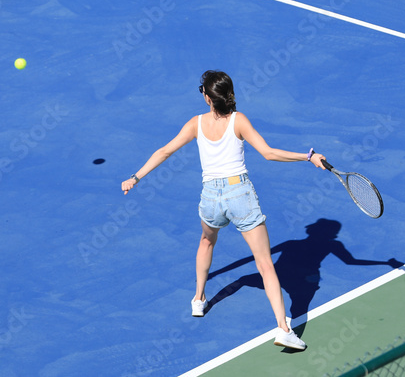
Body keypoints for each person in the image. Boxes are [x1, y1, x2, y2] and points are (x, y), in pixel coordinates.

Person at [121, 70, 326, 351]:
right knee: (265, 264)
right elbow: (268, 153)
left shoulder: (196, 123)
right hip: (239, 195)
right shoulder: (238, 121)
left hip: (211, 198)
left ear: (207, 97)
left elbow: (164, 151)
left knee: (206, 241)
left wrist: (135, 177)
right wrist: (308, 156)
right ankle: (282, 328)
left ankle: (198, 299)